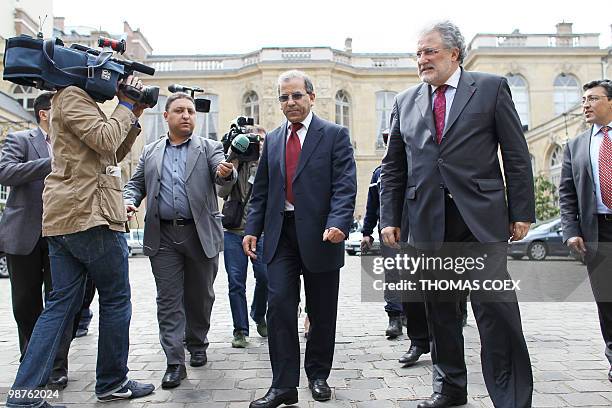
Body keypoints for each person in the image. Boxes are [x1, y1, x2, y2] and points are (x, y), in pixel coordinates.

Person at [380, 21, 535, 408]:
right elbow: (394, 166)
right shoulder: (405, 100)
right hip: (428, 221)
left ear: (454, 53)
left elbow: (515, 155)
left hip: (480, 220)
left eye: (429, 51)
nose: (422, 60)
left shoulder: (490, 87)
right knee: (441, 312)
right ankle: (449, 388)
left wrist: (522, 210)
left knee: (496, 312)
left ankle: (511, 396)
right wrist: (389, 218)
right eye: (418, 53)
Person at [5, 76, 155, 408]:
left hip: (69, 218)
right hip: (90, 214)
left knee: (60, 305)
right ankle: (112, 382)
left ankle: (25, 395)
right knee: (116, 299)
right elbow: (105, 139)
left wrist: (134, 114)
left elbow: (111, 152)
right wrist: (126, 105)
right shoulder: (73, 96)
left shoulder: (72, 101)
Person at [243, 70, 356, 408]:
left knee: (321, 311)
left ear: (311, 97)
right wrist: (252, 228)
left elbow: (344, 185)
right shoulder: (274, 140)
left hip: (322, 235)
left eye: (295, 96)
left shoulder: (334, 135)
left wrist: (339, 222)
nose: (289, 102)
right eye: (283, 97)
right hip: (280, 237)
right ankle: (283, 386)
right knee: (278, 306)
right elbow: (260, 191)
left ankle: (318, 376)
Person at [124, 92, 236, 389]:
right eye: (180, 111)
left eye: (190, 111)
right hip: (163, 237)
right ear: (166, 116)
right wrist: (129, 200)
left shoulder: (210, 148)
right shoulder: (150, 151)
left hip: (200, 234)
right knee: (168, 299)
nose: (187, 115)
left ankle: (197, 342)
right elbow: (136, 184)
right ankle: (174, 362)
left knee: (201, 296)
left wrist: (227, 174)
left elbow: (221, 174)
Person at [0, 92, 78, 390]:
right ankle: (30, 361)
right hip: (24, 235)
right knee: (24, 303)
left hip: (63, 232)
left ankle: (57, 366)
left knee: (60, 303)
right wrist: (51, 162)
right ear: (45, 113)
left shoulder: (73, 142)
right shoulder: (20, 140)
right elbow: (5, 172)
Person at [361, 130, 430, 366]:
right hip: (391, 231)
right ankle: (396, 319)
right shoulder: (380, 174)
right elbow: (373, 205)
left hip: (419, 230)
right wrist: (366, 232)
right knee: (393, 276)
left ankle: (422, 324)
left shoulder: (420, 168)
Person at [559, 79, 612, 382]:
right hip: (598, 232)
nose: (585, 105)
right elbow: (566, 193)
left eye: (593, 98)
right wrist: (571, 230)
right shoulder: (576, 145)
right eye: (583, 100)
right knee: (607, 301)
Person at [217, 125, 268, 348]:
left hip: (261, 232)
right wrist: (233, 159)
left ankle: (258, 313)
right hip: (234, 231)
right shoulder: (235, 163)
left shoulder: (268, 164)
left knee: (265, 276)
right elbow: (222, 192)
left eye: (261, 140)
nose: (257, 145)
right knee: (235, 282)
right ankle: (240, 329)